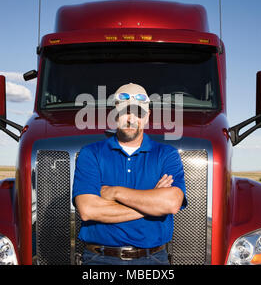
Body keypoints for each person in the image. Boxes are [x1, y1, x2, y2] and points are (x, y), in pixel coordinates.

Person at [72, 83, 187, 265]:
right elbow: (88, 210)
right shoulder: (91, 153)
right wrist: (151, 205)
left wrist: (115, 192)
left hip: (153, 260)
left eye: (139, 113)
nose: (131, 119)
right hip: (99, 259)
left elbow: (171, 203)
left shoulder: (166, 154)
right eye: (125, 112)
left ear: (147, 116)